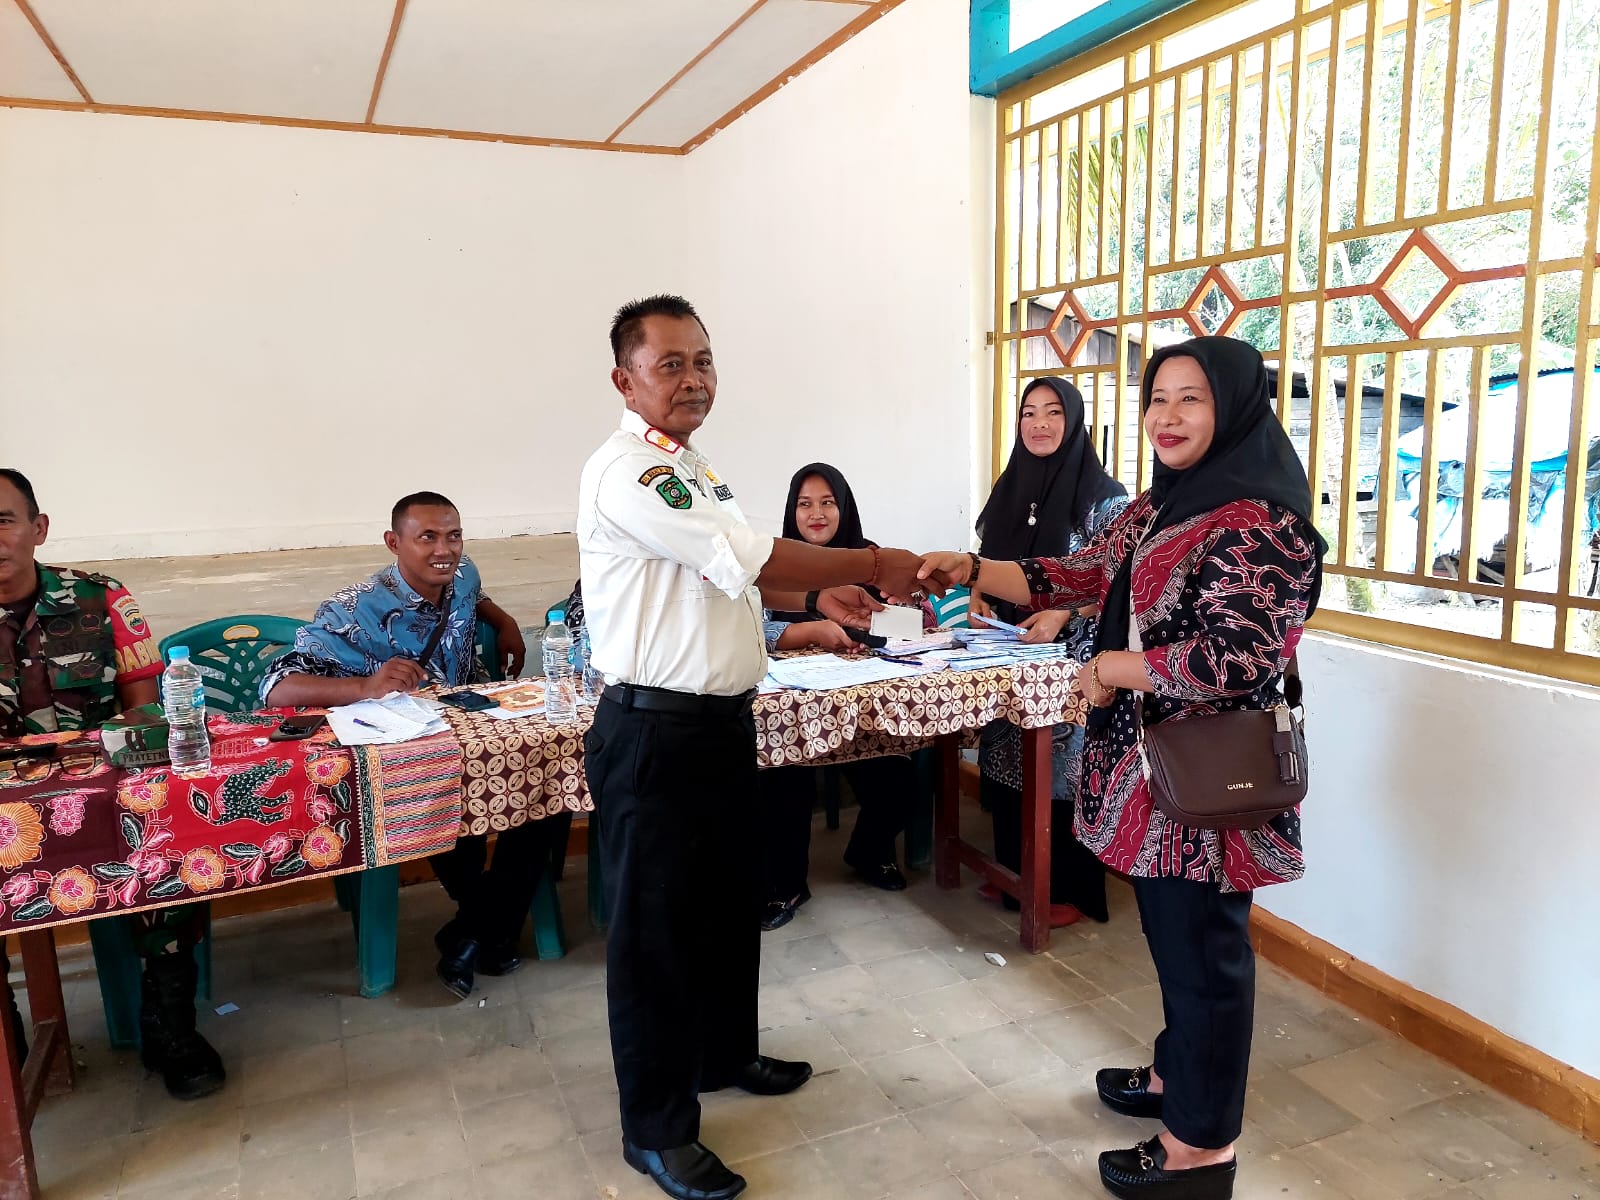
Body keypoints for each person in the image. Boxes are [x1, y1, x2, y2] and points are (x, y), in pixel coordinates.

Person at [920, 336, 1325, 1200]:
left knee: (1206, 959)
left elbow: (1234, 660)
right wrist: (974, 567)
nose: (1166, 418)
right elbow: (1078, 572)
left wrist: (1108, 668)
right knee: (1176, 943)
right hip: (1152, 775)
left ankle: (1199, 1153)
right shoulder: (1163, 506)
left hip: (1209, 781)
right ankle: (1179, 1075)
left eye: (1191, 399)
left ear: (1234, 409)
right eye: (1157, 400)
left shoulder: (1265, 522)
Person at [578, 295, 931, 1200]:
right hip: (654, 733)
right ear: (625, 379)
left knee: (729, 907)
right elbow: (757, 558)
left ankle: (723, 1056)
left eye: (703, 360)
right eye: (670, 364)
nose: (693, 378)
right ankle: (656, 1131)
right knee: (656, 937)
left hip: (721, 724)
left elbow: (727, 585)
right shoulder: (630, 472)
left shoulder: (692, 467)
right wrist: (871, 564)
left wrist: (815, 607)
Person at [259, 492, 562, 1001]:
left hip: (474, 726)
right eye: (427, 538)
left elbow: (473, 593)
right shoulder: (353, 609)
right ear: (393, 542)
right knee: (438, 790)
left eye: (453, 536)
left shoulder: (462, 573)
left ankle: (471, 930)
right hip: (408, 748)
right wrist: (366, 686)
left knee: (547, 780)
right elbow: (276, 688)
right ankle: (487, 933)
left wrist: (505, 622)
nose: (444, 550)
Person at [0, 468, 226, 1099]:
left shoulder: (101, 600)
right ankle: (9, 1042)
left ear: (38, 529)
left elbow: (146, 708)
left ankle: (169, 1024)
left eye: (3, 521)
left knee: (177, 836)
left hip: (104, 793)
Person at [972, 378, 1128, 928]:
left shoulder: (1106, 498)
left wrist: (1063, 612)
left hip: (1071, 659)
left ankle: (1069, 890)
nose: (1039, 424)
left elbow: (1119, 580)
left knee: (1060, 771)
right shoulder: (1009, 487)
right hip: (1008, 649)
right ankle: (1015, 876)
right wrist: (977, 595)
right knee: (1007, 758)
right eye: (1029, 413)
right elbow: (987, 560)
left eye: (1053, 412)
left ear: (1075, 420)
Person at [757, 463, 921, 930]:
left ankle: (868, 851)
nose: (816, 514)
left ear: (844, 508)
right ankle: (786, 884)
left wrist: (890, 616)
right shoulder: (778, 564)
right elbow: (754, 627)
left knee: (899, 777)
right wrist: (811, 630)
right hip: (792, 709)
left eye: (827, 503)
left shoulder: (868, 561)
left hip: (861, 705)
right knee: (782, 780)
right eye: (804, 504)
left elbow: (912, 627)